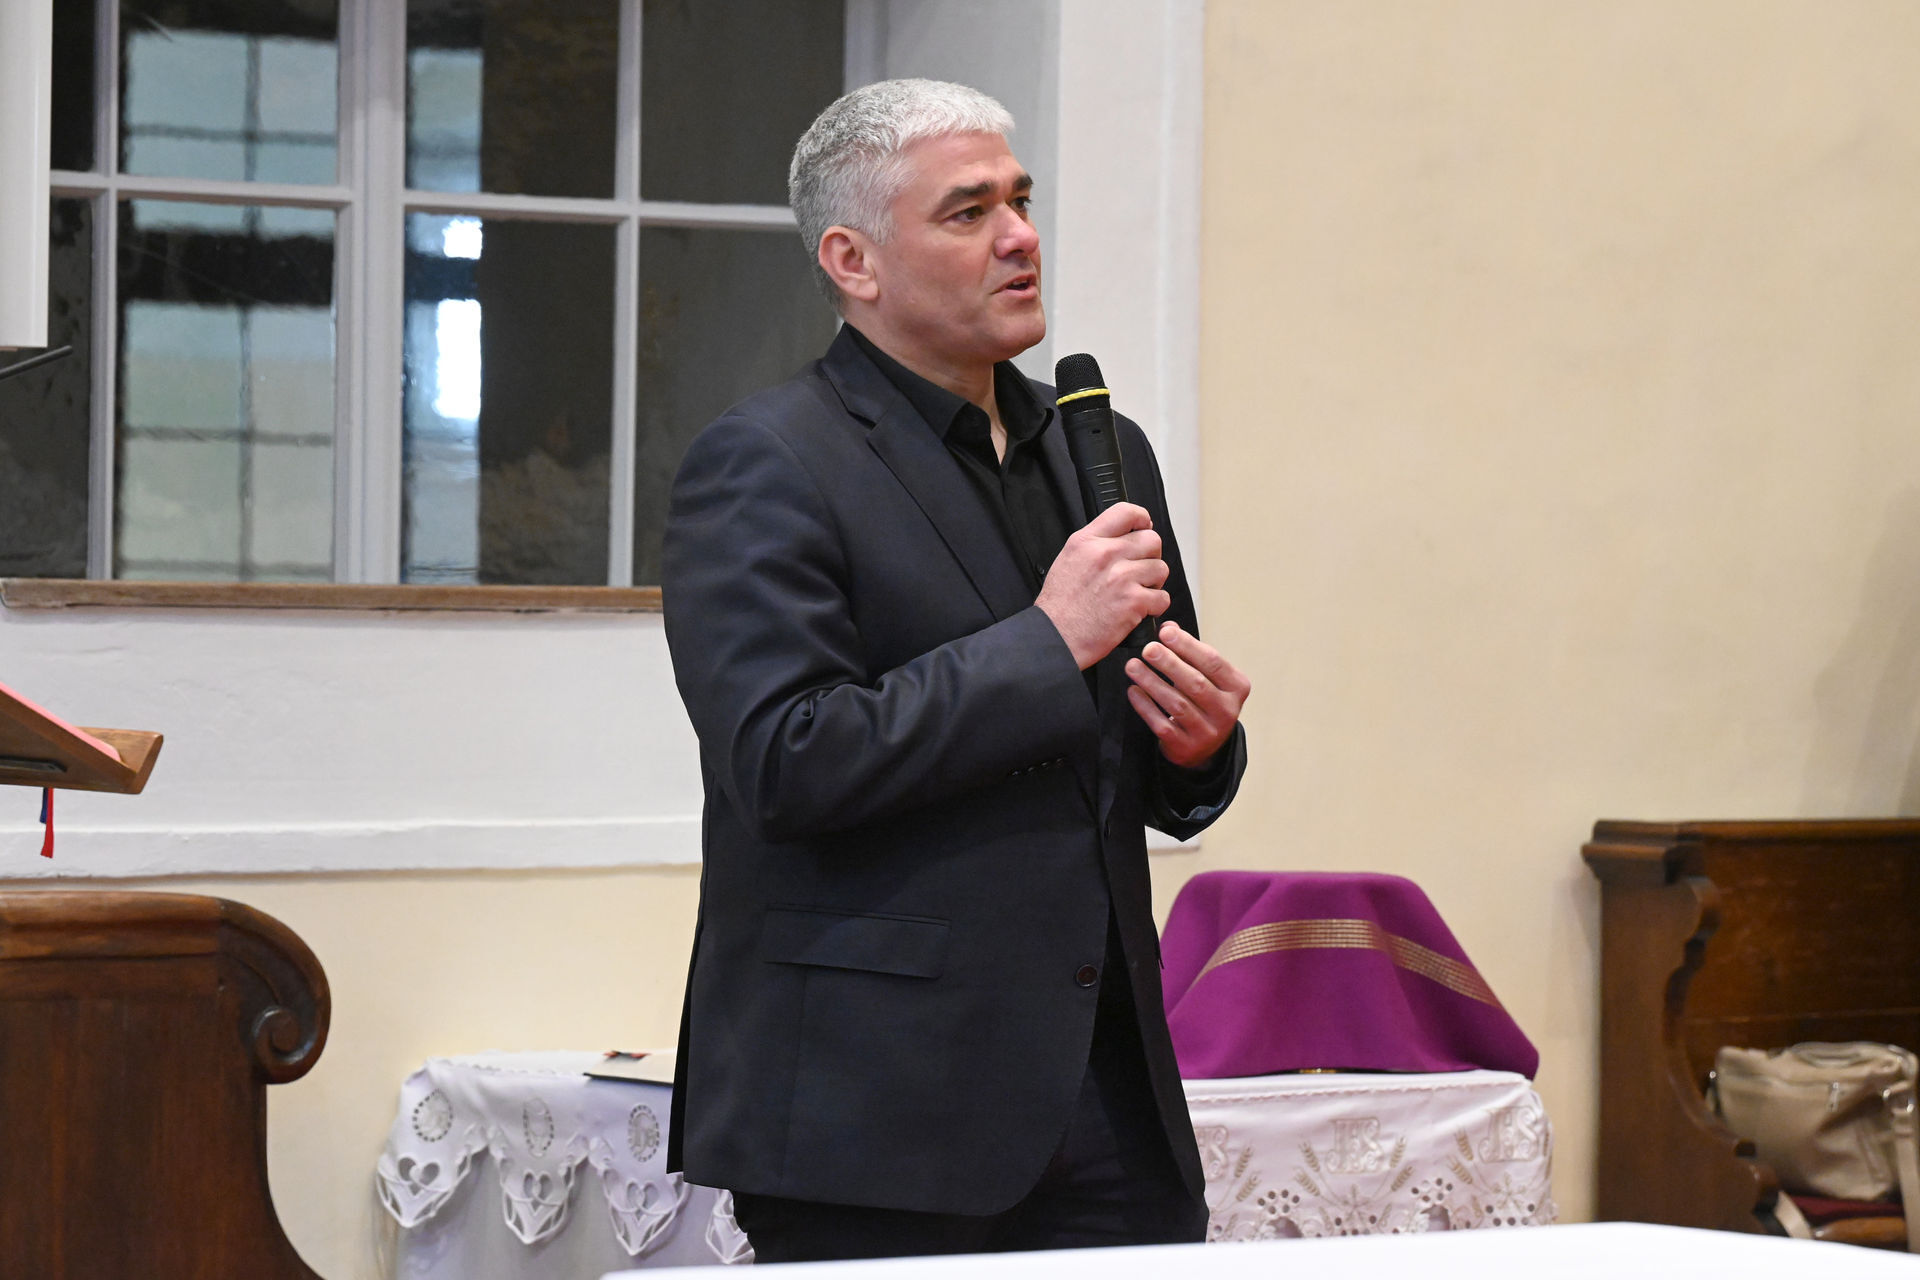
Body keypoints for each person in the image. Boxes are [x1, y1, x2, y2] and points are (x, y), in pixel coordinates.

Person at [661, 78, 1251, 1262]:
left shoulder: (1097, 446)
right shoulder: (766, 461)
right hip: (875, 1110)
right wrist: (1046, 641)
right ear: (854, 261)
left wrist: (1197, 748)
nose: (1020, 237)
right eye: (969, 212)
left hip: (1109, 1094)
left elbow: (1129, 766)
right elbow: (784, 759)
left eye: (1020, 202)